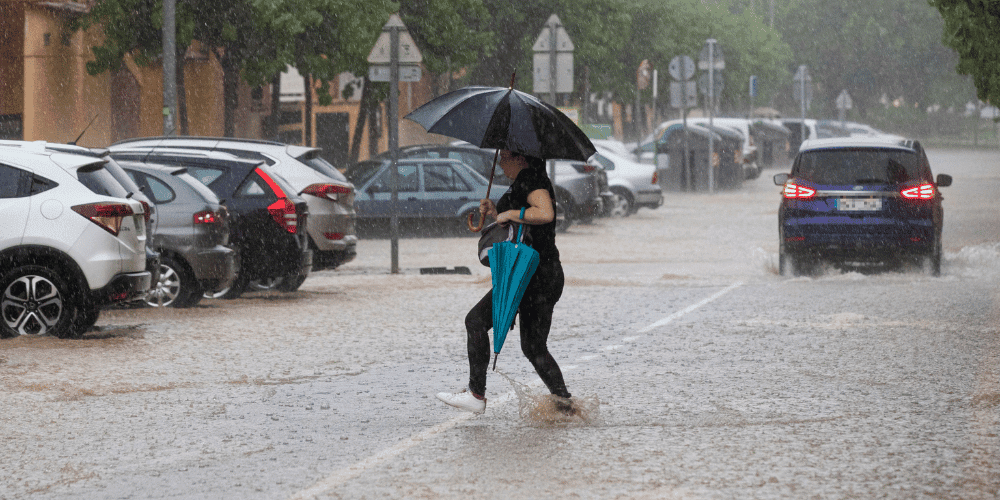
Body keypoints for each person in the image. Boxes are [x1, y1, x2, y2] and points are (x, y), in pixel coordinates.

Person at [436, 150, 573, 414]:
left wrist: (509, 211)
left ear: (521, 157)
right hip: (541, 274)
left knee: (475, 321)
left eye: (505, 156)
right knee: (533, 346)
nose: (500, 162)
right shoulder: (530, 179)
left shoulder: (531, 179)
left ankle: (476, 395)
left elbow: (544, 213)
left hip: (531, 275)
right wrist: (496, 211)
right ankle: (565, 405)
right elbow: (523, 226)